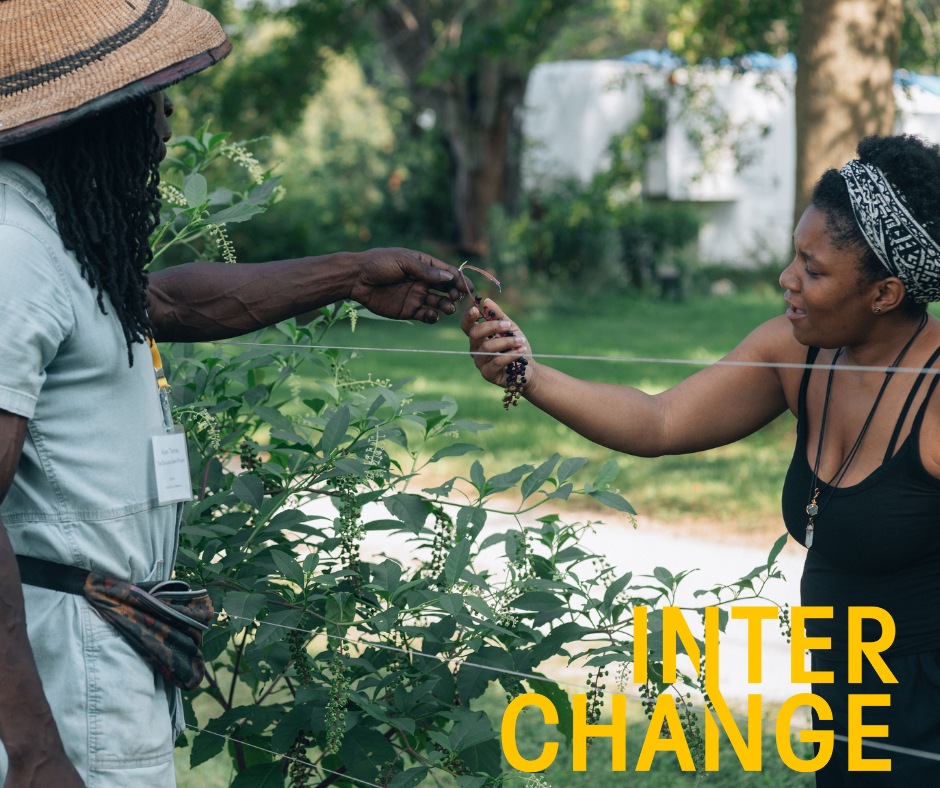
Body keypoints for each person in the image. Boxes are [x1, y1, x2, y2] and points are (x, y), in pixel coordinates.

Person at [0, 1, 469, 786]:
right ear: (88, 117)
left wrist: (350, 276)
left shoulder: (49, 228)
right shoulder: (14, 251)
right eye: (146, 99)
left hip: (103, 651)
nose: (165, 117)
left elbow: (168, 304)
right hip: (64, 680)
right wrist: (34, 750)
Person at [463, 133, 940, 785]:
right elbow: (660, 421)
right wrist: (527, 373)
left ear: (885, 294)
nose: (787, 280)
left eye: (814, 269)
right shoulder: (797, 351)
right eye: (794, 256)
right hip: (847, 695)